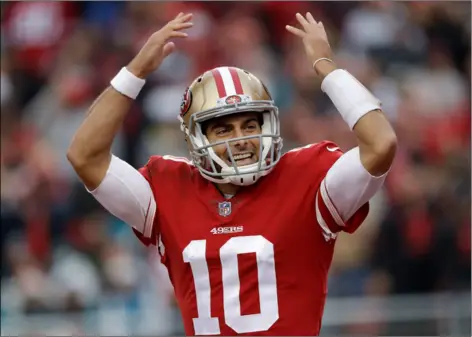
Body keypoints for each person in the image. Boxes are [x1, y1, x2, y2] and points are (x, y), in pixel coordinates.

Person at [67, 12, 397, 336]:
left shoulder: (306, 177)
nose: (241, 138)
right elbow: (85, 155)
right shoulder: (169, 187)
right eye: (223, 129)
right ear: (198, 138)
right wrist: (135, 72)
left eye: (250, 124)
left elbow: (380, 145)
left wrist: (326, 68)